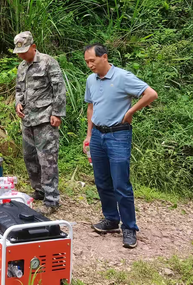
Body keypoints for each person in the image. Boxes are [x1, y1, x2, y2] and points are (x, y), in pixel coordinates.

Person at [83, 44, 158, 249]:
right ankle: (111, 220)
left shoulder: (122, 77)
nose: (90, 65)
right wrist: (89, 135)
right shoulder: (91, 79)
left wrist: (131, 111)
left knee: (121, 184)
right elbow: (91, 106)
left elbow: (151, 94)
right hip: (98, 135)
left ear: (104, 57)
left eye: (93, 61)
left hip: (118, 135)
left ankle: (129, 227)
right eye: (87, 62)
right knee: (102, 180)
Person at [14, 31, 66, 216]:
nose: (21, 55)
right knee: (30, 157)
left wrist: (58, 113)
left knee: (47, 159)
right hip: (27, 119)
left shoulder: (47, 62)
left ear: (33, 47)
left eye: (24, 51)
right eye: (19, 52)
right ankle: (39, 190)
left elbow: (59, 88)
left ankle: (51, 200)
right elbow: (19, 89)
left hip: (45, 118)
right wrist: (17, 103)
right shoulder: (22, 66)